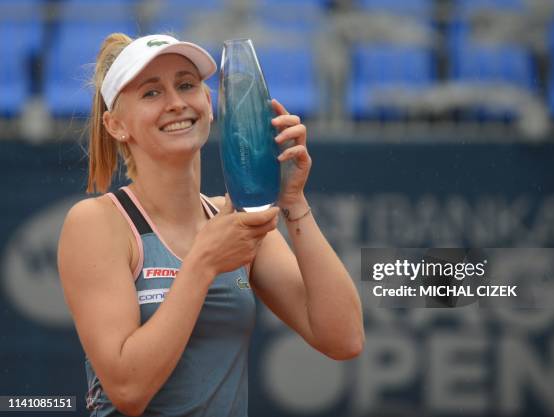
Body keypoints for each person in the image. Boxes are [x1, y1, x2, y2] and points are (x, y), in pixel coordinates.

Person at [57, 33, 364, 417]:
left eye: (187, 85)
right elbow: (128, 389)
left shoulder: (239, 223)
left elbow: (344, 338)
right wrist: (203, 263)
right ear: (116, 124)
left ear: (209, 103)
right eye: (152, 93)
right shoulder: (98, 223)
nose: (176, 103)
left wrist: (293, 202)